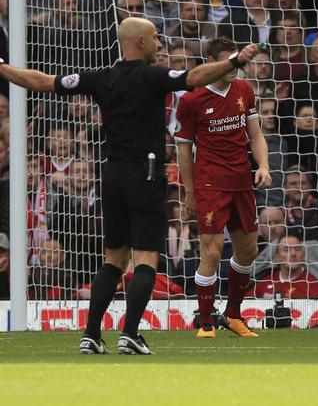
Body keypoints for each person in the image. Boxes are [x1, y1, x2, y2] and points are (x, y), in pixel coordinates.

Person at [0, 18, 261, 355]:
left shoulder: (100, 77)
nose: (159, 44)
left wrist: (3, 68)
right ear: (140, 42)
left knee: (113, 260)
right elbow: (195, 78)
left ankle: (91, 335)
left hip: (111, 176)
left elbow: (42, 82)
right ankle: (130, 334)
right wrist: (235, 61)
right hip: (145, 175)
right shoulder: (152, 76)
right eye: (154, 38)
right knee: (146, 259)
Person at [174, 37, 272, 339]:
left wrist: (264, 166)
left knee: (248, 251)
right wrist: (190, 192)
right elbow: (183, 150)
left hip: (241, 181)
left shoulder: (244, 90)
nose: (235, 68)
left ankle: (233, 315)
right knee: (212, 252)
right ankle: (206, 321)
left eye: (238, 62)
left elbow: (255, 135)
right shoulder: (191, 99)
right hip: (210, 184)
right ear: (212, 62)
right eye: (229, 62)